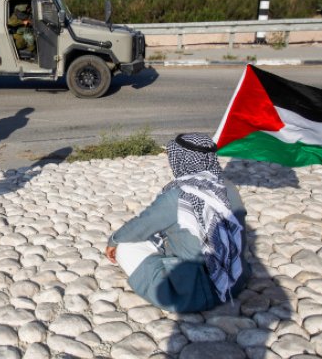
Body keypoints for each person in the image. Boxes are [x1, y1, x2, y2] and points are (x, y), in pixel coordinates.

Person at [105, 133, 251, 313]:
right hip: (234, 281)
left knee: (125, 246)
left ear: (180, 159)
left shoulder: (178, 195)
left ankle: (168, 288)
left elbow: (141, 226)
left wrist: (114, 240)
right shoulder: (227, 187)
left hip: (195, 291)